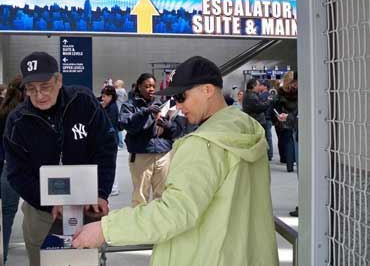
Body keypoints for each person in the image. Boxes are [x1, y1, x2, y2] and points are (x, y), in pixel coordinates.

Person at [72, 56, 278, 266]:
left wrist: (106, 229)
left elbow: (174, 213)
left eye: (182, 96)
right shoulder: (249, 132)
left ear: (207, 90)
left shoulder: (202, 145)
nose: (178, 106)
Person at [3, 52, 117, 266]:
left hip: (87, 205)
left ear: (59, 80)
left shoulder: (83, 102)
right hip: (41, 212)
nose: (39, 95)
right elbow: (17, 173)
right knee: (43, 260)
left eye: (45, 86)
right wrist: (47, 202)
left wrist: (101, 192)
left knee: (86, 259)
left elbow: (105, 148)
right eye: (31, 89)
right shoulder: (18, 121)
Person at [119, 73, 178, 206]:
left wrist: (167, 125)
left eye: (153, 86)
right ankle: (139, 225)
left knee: (162, 195)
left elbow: (174, 130)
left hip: (163, 154)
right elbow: (127, 125)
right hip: (141, 155)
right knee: (140, 196)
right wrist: (145, 112)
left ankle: (160, 225)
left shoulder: (162, 104)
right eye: (147, 86)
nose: (151, 89)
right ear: (139, 87)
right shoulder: (129, 105)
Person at [0, 75, 24, 264]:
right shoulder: (29, 113)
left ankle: (1, 257)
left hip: (8, 169)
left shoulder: (0, 115)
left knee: (6, 215)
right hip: (36, 171)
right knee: (41, 214)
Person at [273, 71, 298, 172]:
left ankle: (289, 165)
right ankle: (297, 161)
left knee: (288, 142)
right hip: (295, 117)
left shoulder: (281, 91)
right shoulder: (299, 91)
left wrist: (280, 115)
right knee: (297, 141)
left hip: (284, 119)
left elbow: (276, 105)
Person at [100, 85, 120, 196]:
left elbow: (108, 124)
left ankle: (114, 187)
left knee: (111, 164)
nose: (103, 99)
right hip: (108, 141)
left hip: (111, 141)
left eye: (104, 96)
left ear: (111, 96)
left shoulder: (112, 108)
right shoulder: (109, 106)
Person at [259, 79, 274, 161]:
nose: (260, 86)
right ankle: (270, 154)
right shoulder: (270, 95)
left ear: (265, 86)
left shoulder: (262, 96)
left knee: (267, 137)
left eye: (261, 85)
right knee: (269, 137)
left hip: (265, 118)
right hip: (269, 118)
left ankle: (268, 154)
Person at [113, 79, 128, 148]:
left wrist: (109, 85)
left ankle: (120, 143)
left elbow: (111, 92)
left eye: (116, 82)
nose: (114, 83)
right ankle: (119, 143)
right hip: (119, 110)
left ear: (119, 84)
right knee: (118, 127)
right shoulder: (122, 90)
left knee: (118, 128)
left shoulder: (119, 91)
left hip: (118, 111)